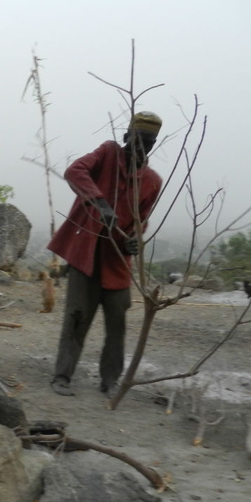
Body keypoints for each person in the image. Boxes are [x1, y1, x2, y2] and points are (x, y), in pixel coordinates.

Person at [48, 111, 164, 397]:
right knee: (76, 317)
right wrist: (99, 202)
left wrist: (134, 240)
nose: (142, 146)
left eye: (148, 141)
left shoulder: (152, 181)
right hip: (85, 254)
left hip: (117, 262)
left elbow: (142, 219)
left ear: (154, 145)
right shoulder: (108, 153)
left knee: (117, 325)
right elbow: (74, 171)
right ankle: (62, 377)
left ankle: (110, 381)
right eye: (137, 139)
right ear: (126, 137)